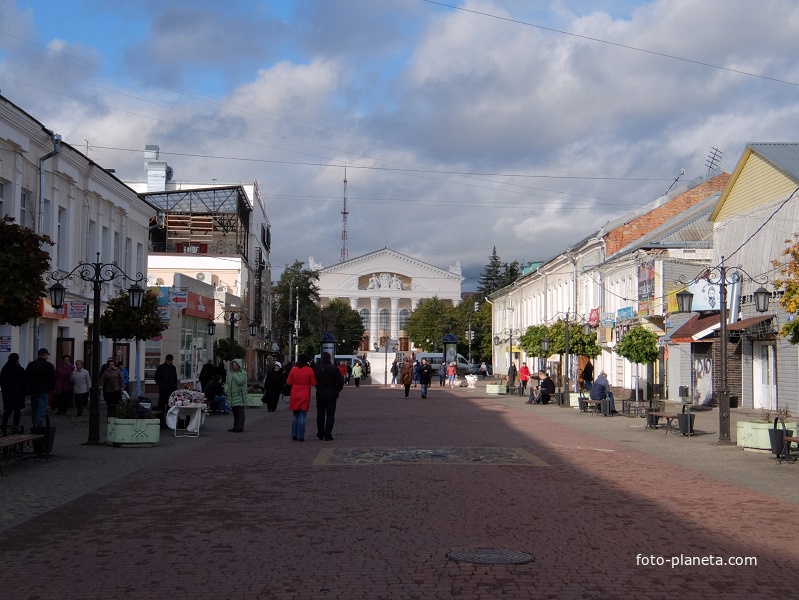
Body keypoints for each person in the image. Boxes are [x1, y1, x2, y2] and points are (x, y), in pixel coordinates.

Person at [286, 354, 317, 441]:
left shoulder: (293, 370)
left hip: (295, 393)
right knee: (302, 415)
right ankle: (301, 436)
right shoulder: (309, 370)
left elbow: (288, 382)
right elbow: (313, 383)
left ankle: (294, 434)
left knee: (295, 415)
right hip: (305, 393)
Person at [314, 352, 344, 441]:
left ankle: (320, 433)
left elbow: (314, 381)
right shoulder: (334, 368)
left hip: (320, 393)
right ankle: (327, 434)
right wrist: (337, 390)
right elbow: (340, 381)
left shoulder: (317, 368)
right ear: (329, 358)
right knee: (330, 415)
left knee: (320, 414)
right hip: (331, 394)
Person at [25, 348, 56, 427]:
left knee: (34, 409)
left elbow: (26, 378)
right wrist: (51, 389)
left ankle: (34, 425)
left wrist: (28, 390)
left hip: (33, 391)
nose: (47, 357)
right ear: (45, 354)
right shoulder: (49, 365)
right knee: (41, 410)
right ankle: (37, 427)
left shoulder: (31, 365)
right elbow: (53, 378)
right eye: (47, 355)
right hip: (44, 391)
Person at [1, 352, 27, 432]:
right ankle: (15, 427)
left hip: (7, 393)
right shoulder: (19, 369)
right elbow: (24, 380)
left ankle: (4, 425)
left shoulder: (5, 368)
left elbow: (1, 380)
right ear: (17, 359)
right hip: (18, 393)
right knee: (17, 411)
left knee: (7, 411)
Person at [154, 354, 178, 428]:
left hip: (171, 391)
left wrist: (175, 389)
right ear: (166, 360)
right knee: (161, 407)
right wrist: (161, 385)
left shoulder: (173, 368)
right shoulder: (161, 368)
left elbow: (175, 378)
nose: (170, 362)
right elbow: (156, 378)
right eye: (169, 360)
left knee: (170, 407)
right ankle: (161, 422)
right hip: (163, 391)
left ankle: (169, 423)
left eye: (171, 360)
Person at [225, 359, 249, 431]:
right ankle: (235, 426)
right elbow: (227, 382)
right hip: (232, 395)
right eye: (233, 365)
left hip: (239, 395)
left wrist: (235, 375)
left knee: (240, 412)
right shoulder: (229, 373)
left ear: (239, 366)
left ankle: (240, 427)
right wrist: (226, 389)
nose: (234, 367)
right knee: (235, 412)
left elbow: (240, 382)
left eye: (236, 365)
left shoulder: (243, 373)